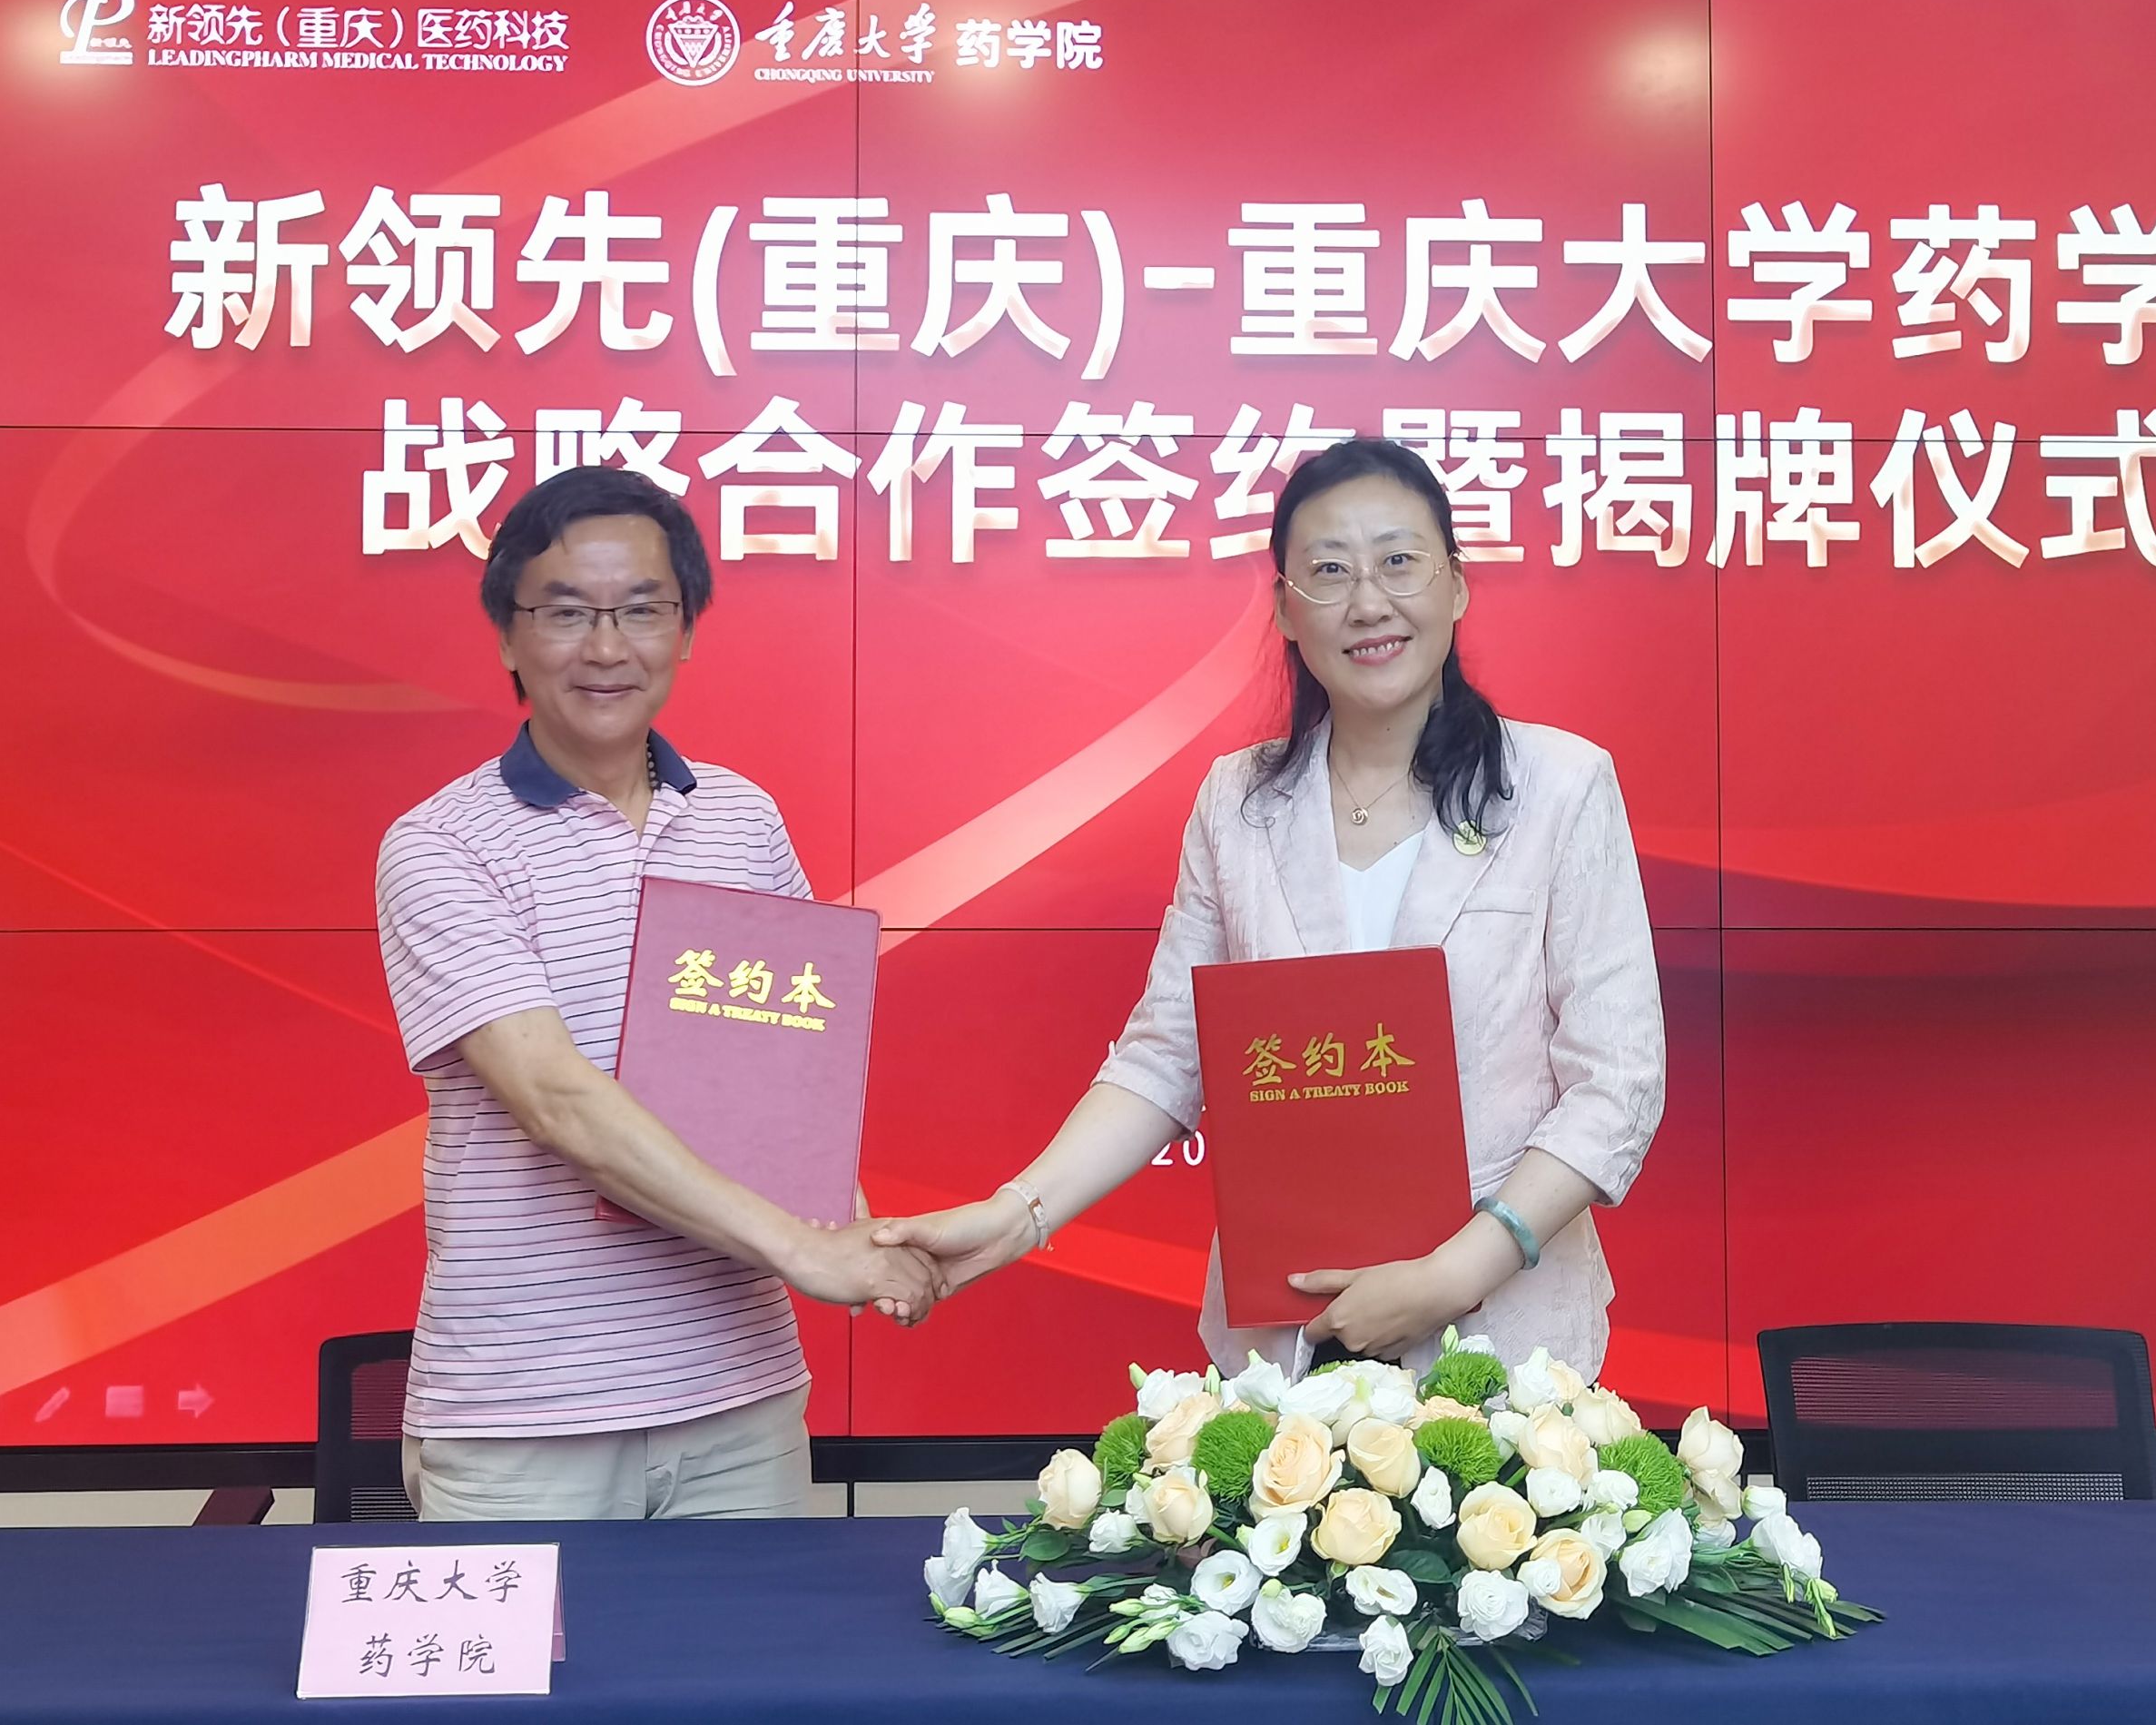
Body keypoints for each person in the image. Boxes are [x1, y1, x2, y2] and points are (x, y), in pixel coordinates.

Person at [873, 437, 1666, 1378]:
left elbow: (1617, 1083)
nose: (1367, 602)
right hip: (1282, 1346)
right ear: (1287, 610)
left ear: (1455, 585)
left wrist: (1455, 1273)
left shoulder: (1561, 787)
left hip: (1505, 1348)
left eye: (1398, 561)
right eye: (1329, 572)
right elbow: (1168, 1055)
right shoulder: (1238, 802)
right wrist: (1014, 1217)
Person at [373, 466, 940, 1521]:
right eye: (566, 612)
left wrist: (859, 1235)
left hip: (738, 1402)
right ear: (507, 636)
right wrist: (806, 1251)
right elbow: (558, 1101)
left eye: (641, 609)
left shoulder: (741, 820)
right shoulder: (442, 845)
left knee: (754, 1644)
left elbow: (791, 1084)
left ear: (685, 631)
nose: (606, 648)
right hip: (524, 1420)